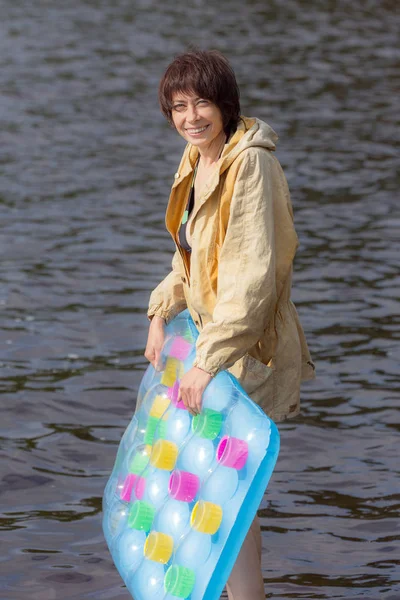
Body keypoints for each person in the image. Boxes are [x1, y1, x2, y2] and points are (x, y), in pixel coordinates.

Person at [144, 49, 315, 600]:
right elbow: (189, 257)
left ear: (225, 104)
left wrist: (204, 362)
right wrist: (159, 314)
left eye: (202, 103)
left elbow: (251, 278)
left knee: (230, 491)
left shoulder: (251, 163)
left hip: (244, 352)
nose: (191, 116)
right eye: (178, 106)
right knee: (223, 493)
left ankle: (247, 595)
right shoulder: (197, 159)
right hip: (210, 346)